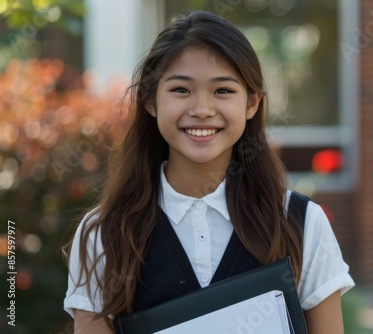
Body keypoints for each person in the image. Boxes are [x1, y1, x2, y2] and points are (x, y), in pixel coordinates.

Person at [63, 10, 354, 333]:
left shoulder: (301, 222)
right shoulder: (104, 232)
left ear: (252, 103)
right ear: (150, 101)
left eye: (223, 91)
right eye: (181, 90)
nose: (202, 110)